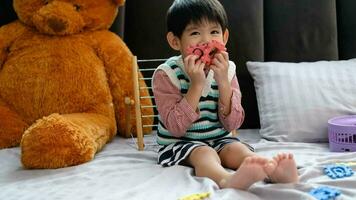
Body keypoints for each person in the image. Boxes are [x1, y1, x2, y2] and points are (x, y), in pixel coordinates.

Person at [152, 0, 299, 190]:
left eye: (214, 32)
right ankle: (225, 179)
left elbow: (233, 124)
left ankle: (273, 171)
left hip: (220, 139)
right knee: (204, 153)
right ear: (175, 41)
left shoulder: (227, 70)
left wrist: (223, 82)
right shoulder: (166, 74)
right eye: (195, 33)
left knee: (237, 149)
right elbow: (176, 128)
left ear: (225, 36)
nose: (206, 41)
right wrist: (196, 85)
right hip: (181, 143)